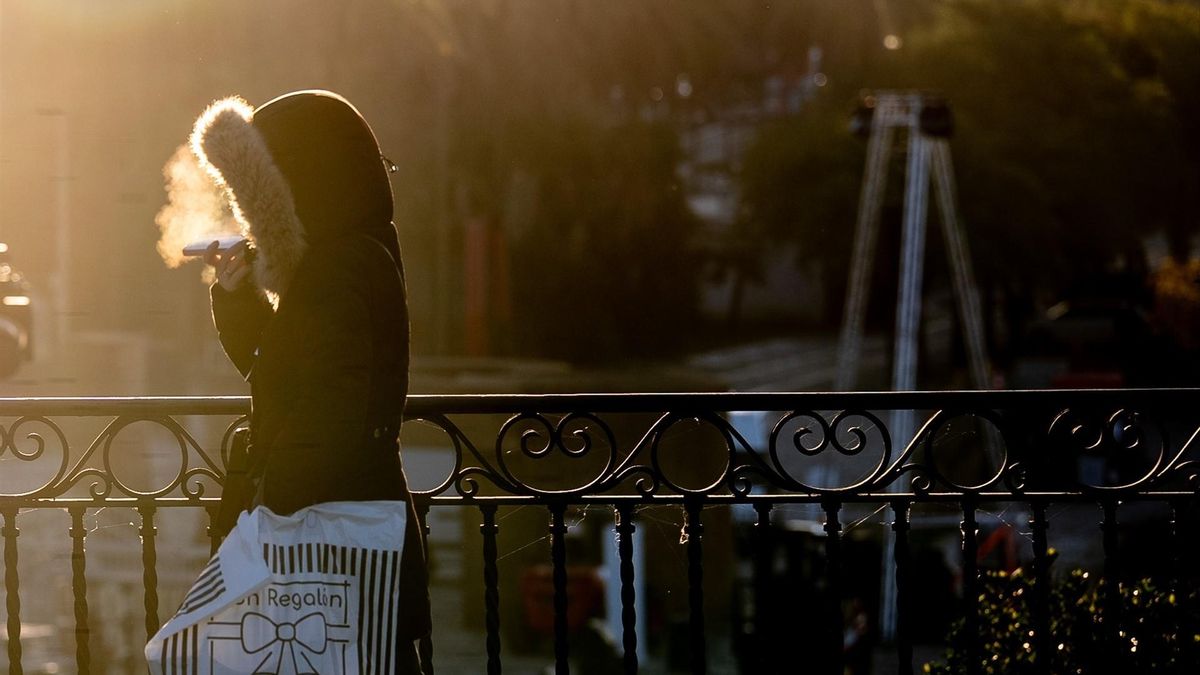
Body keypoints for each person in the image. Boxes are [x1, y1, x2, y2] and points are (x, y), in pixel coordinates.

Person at [192, 89, 430, 672]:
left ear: (301, 185)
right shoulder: (346, 258)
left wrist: (268, 510)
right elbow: (278, 370)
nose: (251, 215)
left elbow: (329, 413)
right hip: (344, 530)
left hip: (326, 538)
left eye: (260, 197)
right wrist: (237, 292)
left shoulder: (340, 266)